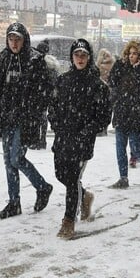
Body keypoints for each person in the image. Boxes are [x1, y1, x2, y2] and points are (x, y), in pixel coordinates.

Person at [0, 22, 54, 219]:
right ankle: (14, 202)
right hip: (6, 115)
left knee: (16, 158)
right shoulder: (4, 59)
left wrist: (31, 111)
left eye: (17, 39)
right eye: (11, 39)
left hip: (24, 118)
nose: (14, 43)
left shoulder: (34, 60)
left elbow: (43, 92)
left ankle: (42, 186)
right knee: (9, 161)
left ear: (24, 40)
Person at [48, 38, 111, 239]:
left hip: (82, 141)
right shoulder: (63, 80)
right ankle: (85, 197)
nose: (80, 59)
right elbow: (53, 105)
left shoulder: (97, 85)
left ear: (89, 57)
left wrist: (88, 130)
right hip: (63, 137)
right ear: (72, 57)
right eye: (77, 55)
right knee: (61, 175)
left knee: (73, 178)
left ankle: (68, 220)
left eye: (84, 55)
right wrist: (56, 123)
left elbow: (103, 116)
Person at [108, 40, 140, 188]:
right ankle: (123, 178)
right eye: (130, 53)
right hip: (122, 113)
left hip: (138, 116)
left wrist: (138, 71)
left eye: (135, 54)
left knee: (135, 147)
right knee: (120, 148)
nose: (131, 56)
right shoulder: (122, 67)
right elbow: (112, 83)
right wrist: (117, 67)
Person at [35, 39, 61, 149]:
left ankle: (39, 139)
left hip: (41, 93)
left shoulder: (40, 63)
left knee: (40, 116)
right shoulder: (53, 64)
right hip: (51, 94)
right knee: (49, 117)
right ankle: (44, 139)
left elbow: (37, 80)